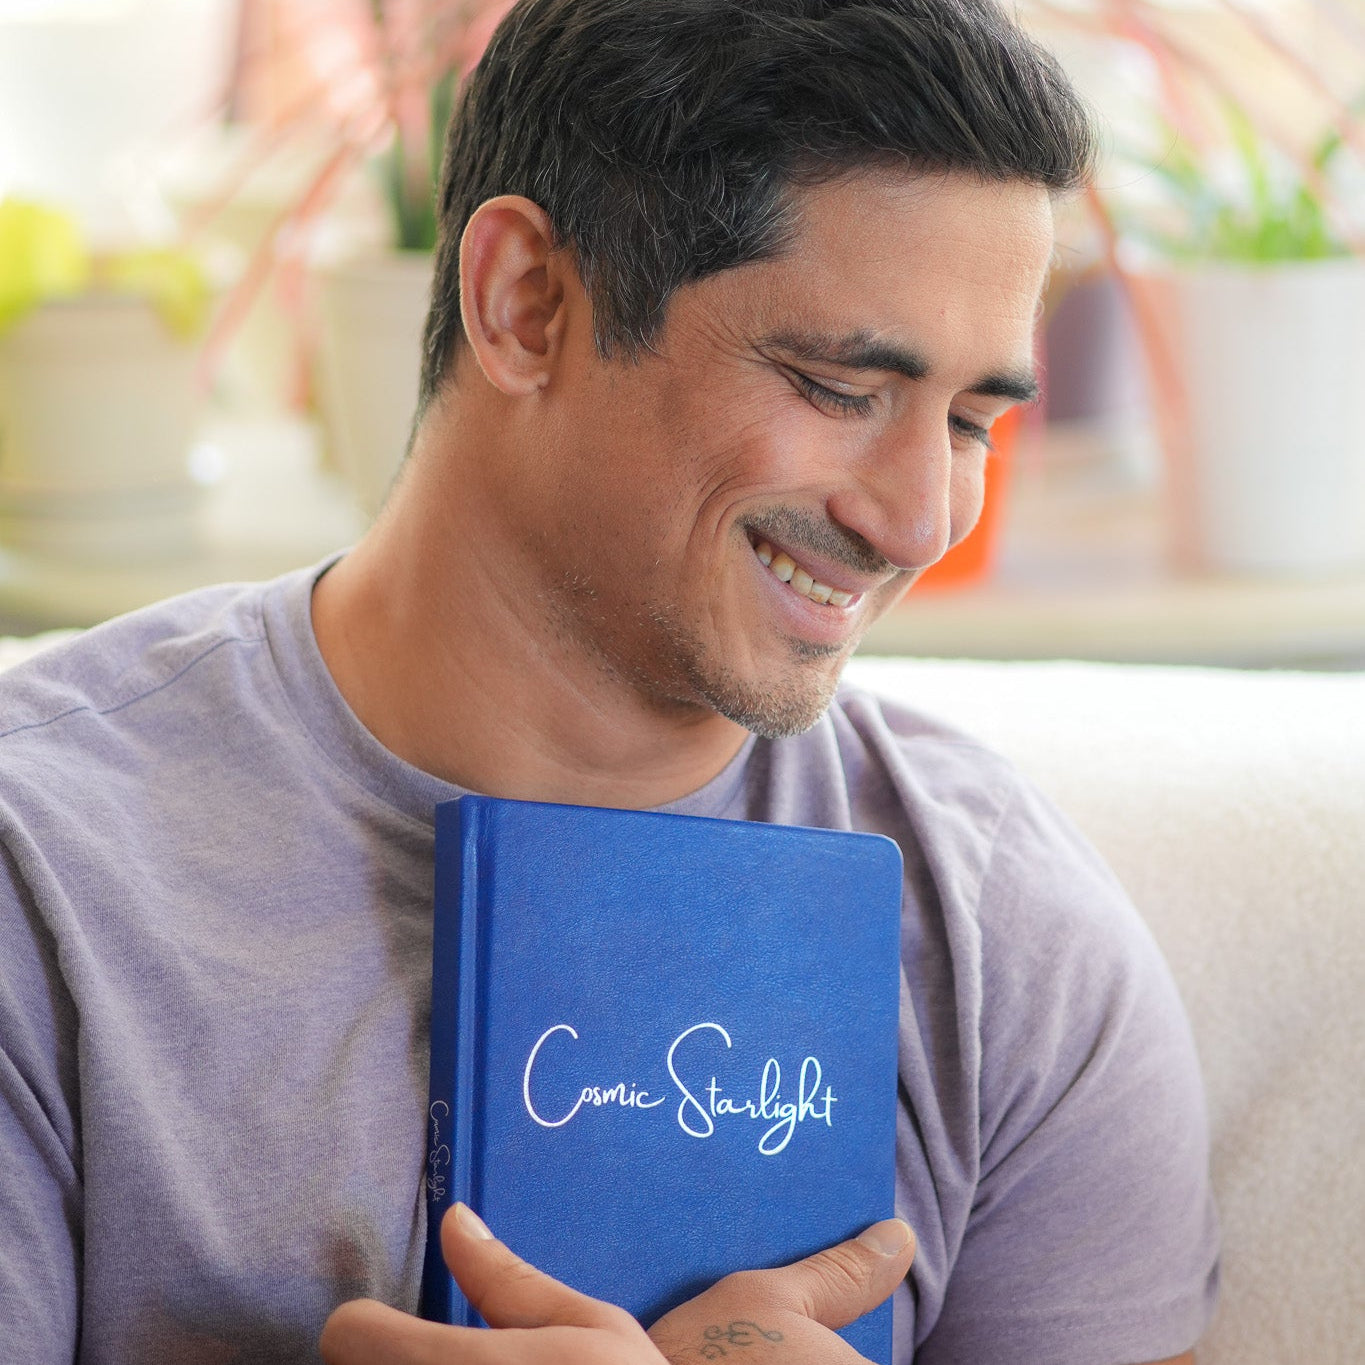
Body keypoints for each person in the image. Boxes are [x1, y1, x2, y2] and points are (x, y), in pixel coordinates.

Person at [0, 0, 1220, 1361]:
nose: (921, 519)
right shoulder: (42, 870)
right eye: (835, 386)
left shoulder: (1007, 939)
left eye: (973, 420)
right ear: (525, 302)